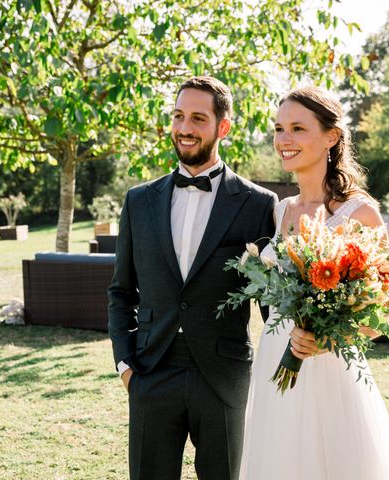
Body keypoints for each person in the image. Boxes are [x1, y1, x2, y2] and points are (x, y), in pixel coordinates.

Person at [108, 76, 278, 480]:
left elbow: (271, 303)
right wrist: (125, 364)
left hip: (224, 377)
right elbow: (120, 290)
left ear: (223, 127)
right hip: (150, 372)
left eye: (198, 118)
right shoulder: (138, 200)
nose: (185, 128)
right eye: (179, 116)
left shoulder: (258, 204)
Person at [239, 86, 389, 480]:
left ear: (331, 136)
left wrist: (328, 338)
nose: (284, 139)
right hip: (275, 357)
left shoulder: (360, 212)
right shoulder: (282, 210)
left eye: (298, 128)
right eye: (279, 128)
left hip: (331, 372)